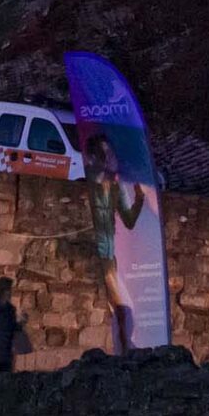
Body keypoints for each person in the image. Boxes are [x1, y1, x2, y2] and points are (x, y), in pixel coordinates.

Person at [85, 134, 151, 351]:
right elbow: (97, 178)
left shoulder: (116, 186)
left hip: (109, 256)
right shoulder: (91, 180)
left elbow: (129, 220)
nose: (111, 158)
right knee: (123, 309)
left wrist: (139, 198)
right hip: (97, 254)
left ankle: (121, 352)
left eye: (111, 153)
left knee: (123, 309)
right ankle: (124, 351)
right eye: (106, 153)